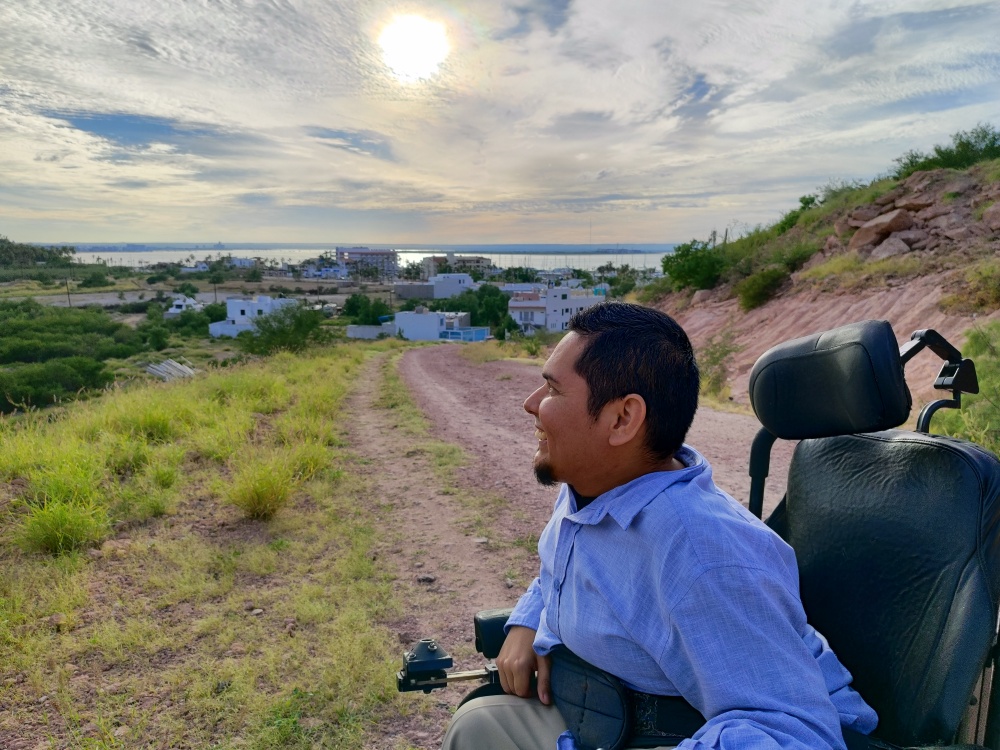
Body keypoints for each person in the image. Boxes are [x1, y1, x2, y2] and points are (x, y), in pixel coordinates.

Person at [440, 301, 877, 750]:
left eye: (552, 390)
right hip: (606, 713)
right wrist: (529, 621)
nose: (530, 404)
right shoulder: (597, 487)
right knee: (475, 727)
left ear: (622, 419)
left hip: (681, 731)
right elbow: (570, 566)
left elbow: (795, 733)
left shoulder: (700, 552)